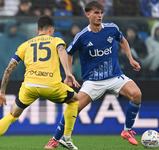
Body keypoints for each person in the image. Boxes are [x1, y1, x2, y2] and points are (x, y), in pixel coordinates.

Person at [45, 1, 142, 149]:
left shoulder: (112, 28)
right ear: (88, 14)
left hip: (114, 76)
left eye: (101, 13)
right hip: (93, 81)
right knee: (73, 108)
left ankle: (127, 131)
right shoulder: (81, 36)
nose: (100, 16)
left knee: (137, 94)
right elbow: (68, 53)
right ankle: (55, 140)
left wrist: (130, 59)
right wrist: (68, 73)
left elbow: (123, 40)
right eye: (96, 13)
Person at [0, 15, 80, 150]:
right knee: (75, 99)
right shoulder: (56, 40)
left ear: (37, 30)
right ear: (51, 30)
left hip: (30, 87)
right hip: (51, 85)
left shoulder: (25, 45)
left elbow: (9, 68)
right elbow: (62, 50)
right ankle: (66, 138)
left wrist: (2, 92)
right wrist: (68, 72)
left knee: (12, 115)